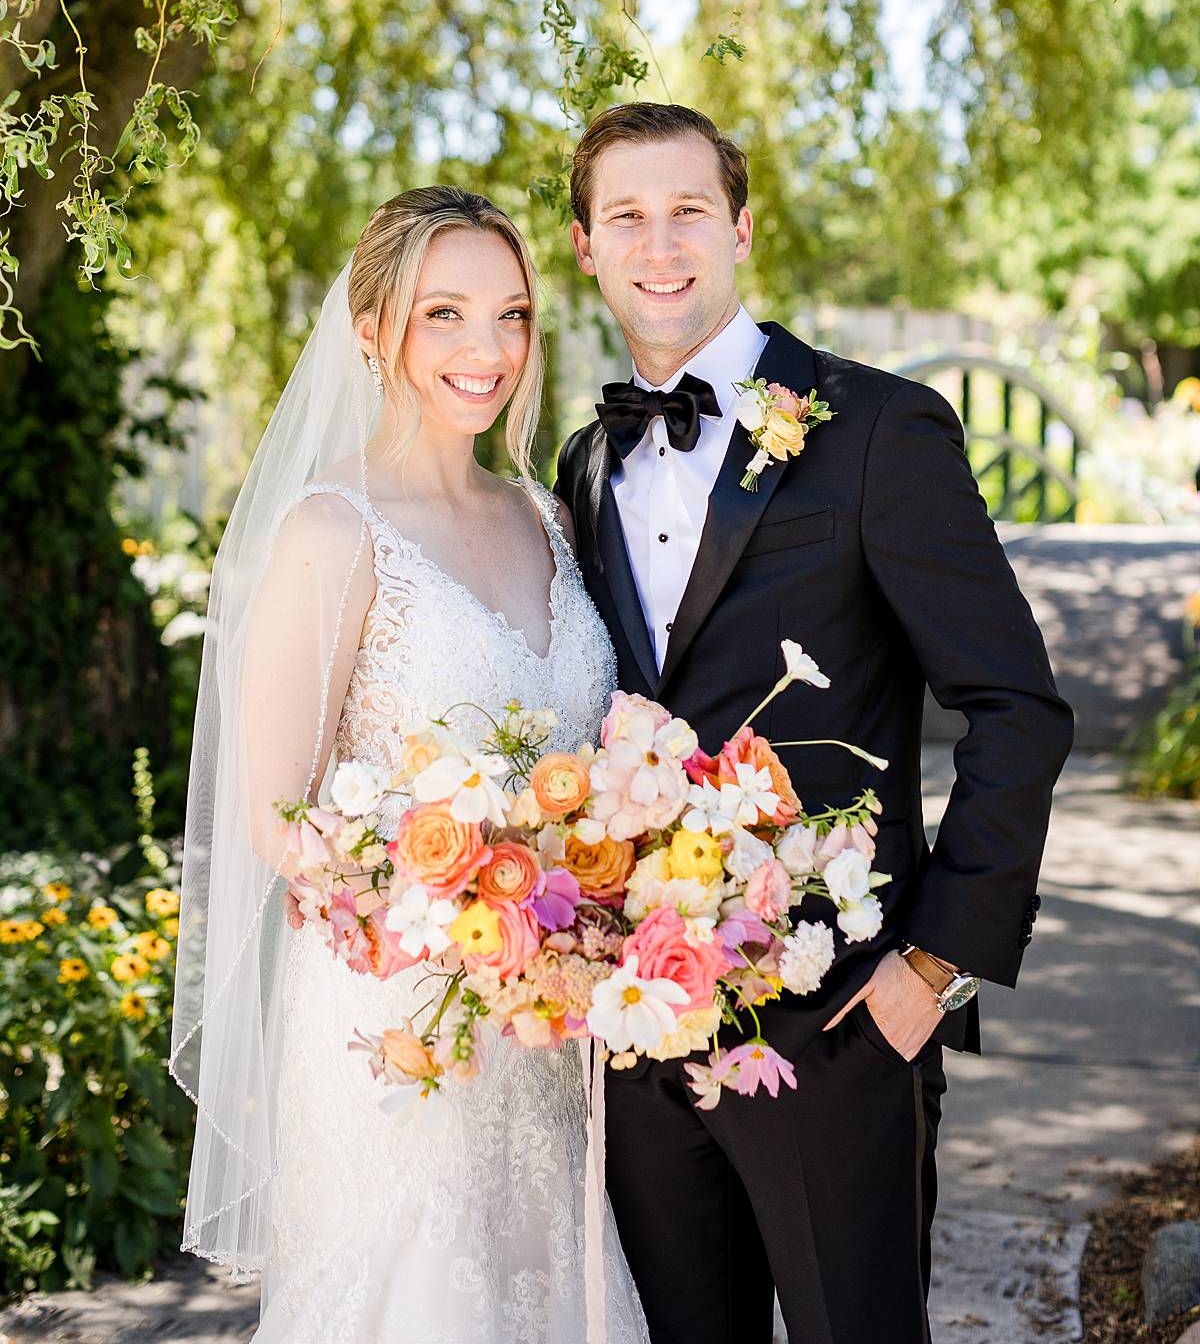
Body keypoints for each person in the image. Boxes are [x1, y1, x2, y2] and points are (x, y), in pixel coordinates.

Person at [555, 102, 1074, 1344]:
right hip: (639, 1037)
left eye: (689, 210)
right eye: (626, 215)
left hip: (842, 1020)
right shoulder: (582, 465)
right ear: (585, 247)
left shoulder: (879, 429)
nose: (660, 242)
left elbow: (1017, 708)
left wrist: (936, 967)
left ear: (740, 228)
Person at [171, 186, 648, 1344]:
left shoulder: (547, 517)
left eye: (513, 315)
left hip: (553, 1030)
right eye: (445, 314)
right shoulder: (331, 531)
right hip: (406, 1028)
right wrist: (464, 908)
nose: (486, 351)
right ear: (372, 329)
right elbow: (277, 820)